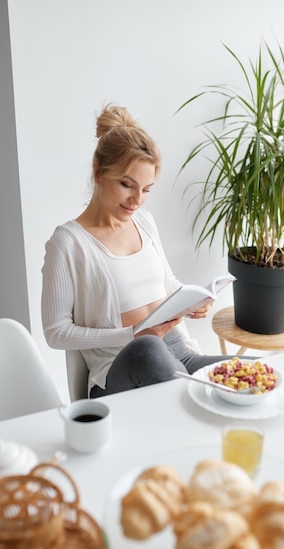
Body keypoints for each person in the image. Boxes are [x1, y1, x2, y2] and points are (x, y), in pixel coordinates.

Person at [41, 104, 227, 398]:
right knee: (149, 350)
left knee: (250, 371)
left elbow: (167, 283)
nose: (137, 200)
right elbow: (56, 332)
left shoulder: (145, 223)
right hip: (121, 367)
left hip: (178, 354)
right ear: (98, 172)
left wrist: (193, 302)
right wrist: (132, 335)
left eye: (147, 189)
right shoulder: (68, 243)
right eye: (127, 185)